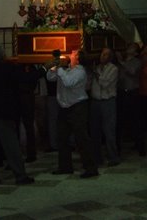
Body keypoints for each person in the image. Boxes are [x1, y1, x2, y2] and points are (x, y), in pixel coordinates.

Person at [0, 44, 44, 187]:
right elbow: (27, 78)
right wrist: (44, 68)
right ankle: (20, 176)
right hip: (4, 113)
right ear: (4, 56)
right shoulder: (8, 68)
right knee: (11, 146)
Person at [46, 49, 98, 178]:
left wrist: (59, 69)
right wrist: (55, 66)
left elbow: (68, 83)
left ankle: (91, 168)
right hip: (64, 107)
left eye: (73, 54)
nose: (69, 55)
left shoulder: (80, 71)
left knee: (81, 138)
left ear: (78, 58)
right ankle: (65, 167)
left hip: (77, 107)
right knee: (62, 138)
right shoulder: (66, 69)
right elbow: (50, 77)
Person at [89, 47, 120, 167]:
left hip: (108, 102)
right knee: (95, 131)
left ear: (110, 57)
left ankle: (113, 157)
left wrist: (96, 73)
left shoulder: (113, 69)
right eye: (102, 54)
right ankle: (97, 158)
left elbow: (105, 83)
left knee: (109, 131)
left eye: (106, 54)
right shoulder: (96, 68)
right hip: (95, 101)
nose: (103, 56)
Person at [115, 42, 142, 153]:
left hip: (132, 93)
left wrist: (121, 62)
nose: (128, 48)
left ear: (135, 53)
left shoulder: (137, 62)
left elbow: (132, 72)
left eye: (132, 48)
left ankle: (140, 146)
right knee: (120, 120)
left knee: (135, 120)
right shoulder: (123, 62)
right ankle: (118, 147)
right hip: (121, 92)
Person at [15, 63, 39, 162]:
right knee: (27, 127)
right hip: (25, 97)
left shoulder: (19, 67)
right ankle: (29, 153)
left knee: (26, 127)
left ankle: (29, 153)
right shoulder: (29, 68)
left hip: (23, 97)